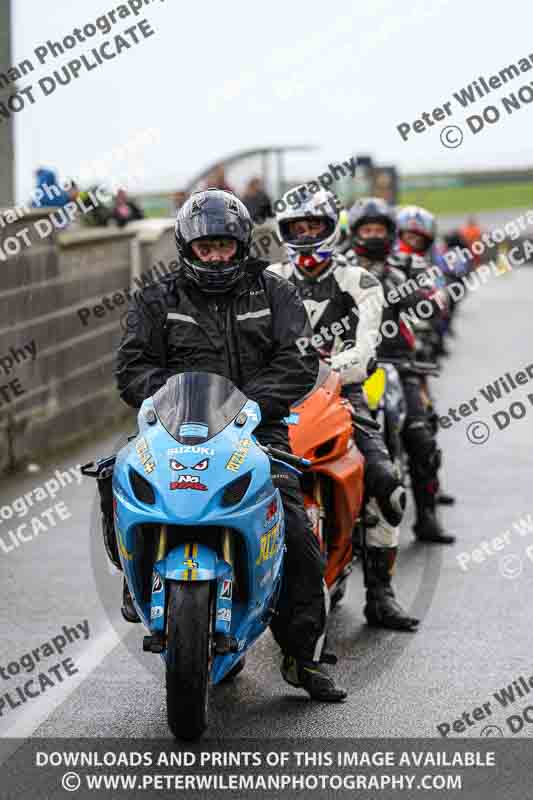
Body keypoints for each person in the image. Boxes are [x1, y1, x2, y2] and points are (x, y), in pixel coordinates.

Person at [98, 188, 347, 702]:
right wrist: (156, 398)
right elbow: (132, 367)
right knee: (115, 477)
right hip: (174, 430)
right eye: (206, 247)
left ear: (241, 246)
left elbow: (299, 360)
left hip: (258, 430)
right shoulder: (156, 298)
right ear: (188, 246)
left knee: (297, 532)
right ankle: (132, 576)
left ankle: (302, 656)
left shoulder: (274, 292)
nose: (216, 256)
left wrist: (253, 403)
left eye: (225, 247)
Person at [269, 186, 419, 632]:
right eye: (298, 227)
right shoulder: (269, 278)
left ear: (332, 229)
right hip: (277, 394)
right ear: (285, 231)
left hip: (342, 391)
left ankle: (381, 595)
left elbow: (364, 350)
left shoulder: (361, 281)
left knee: (387, 485)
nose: (307, 234)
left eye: (315, 225)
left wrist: (322, 365)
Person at [345, 198, 455, 544]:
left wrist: (407, 293)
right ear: (355, 233)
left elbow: (437, 301)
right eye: (367, 229)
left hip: (398, 363)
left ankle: (426, 517)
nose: (373, 236)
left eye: (380, 229)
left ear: (390, 233)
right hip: (349, 368)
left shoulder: (408, 263)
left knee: (420, 436)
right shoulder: (340, 267)